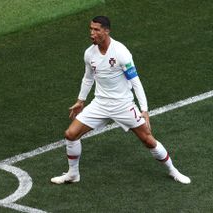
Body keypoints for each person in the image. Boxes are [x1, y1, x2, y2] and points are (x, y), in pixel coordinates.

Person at [51, 16, 191, 185]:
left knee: (148, 140)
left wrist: (144, 110)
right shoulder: (89, 53)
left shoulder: (120, 52)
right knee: (70, 134)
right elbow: (88, 78)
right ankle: (73, 174)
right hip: (100, 104)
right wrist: (81, 100)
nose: (92, 33)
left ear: (106, 31)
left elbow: (135, 82)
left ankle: (173, 171)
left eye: (96, 30)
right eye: (91, 29)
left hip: (123, 105)